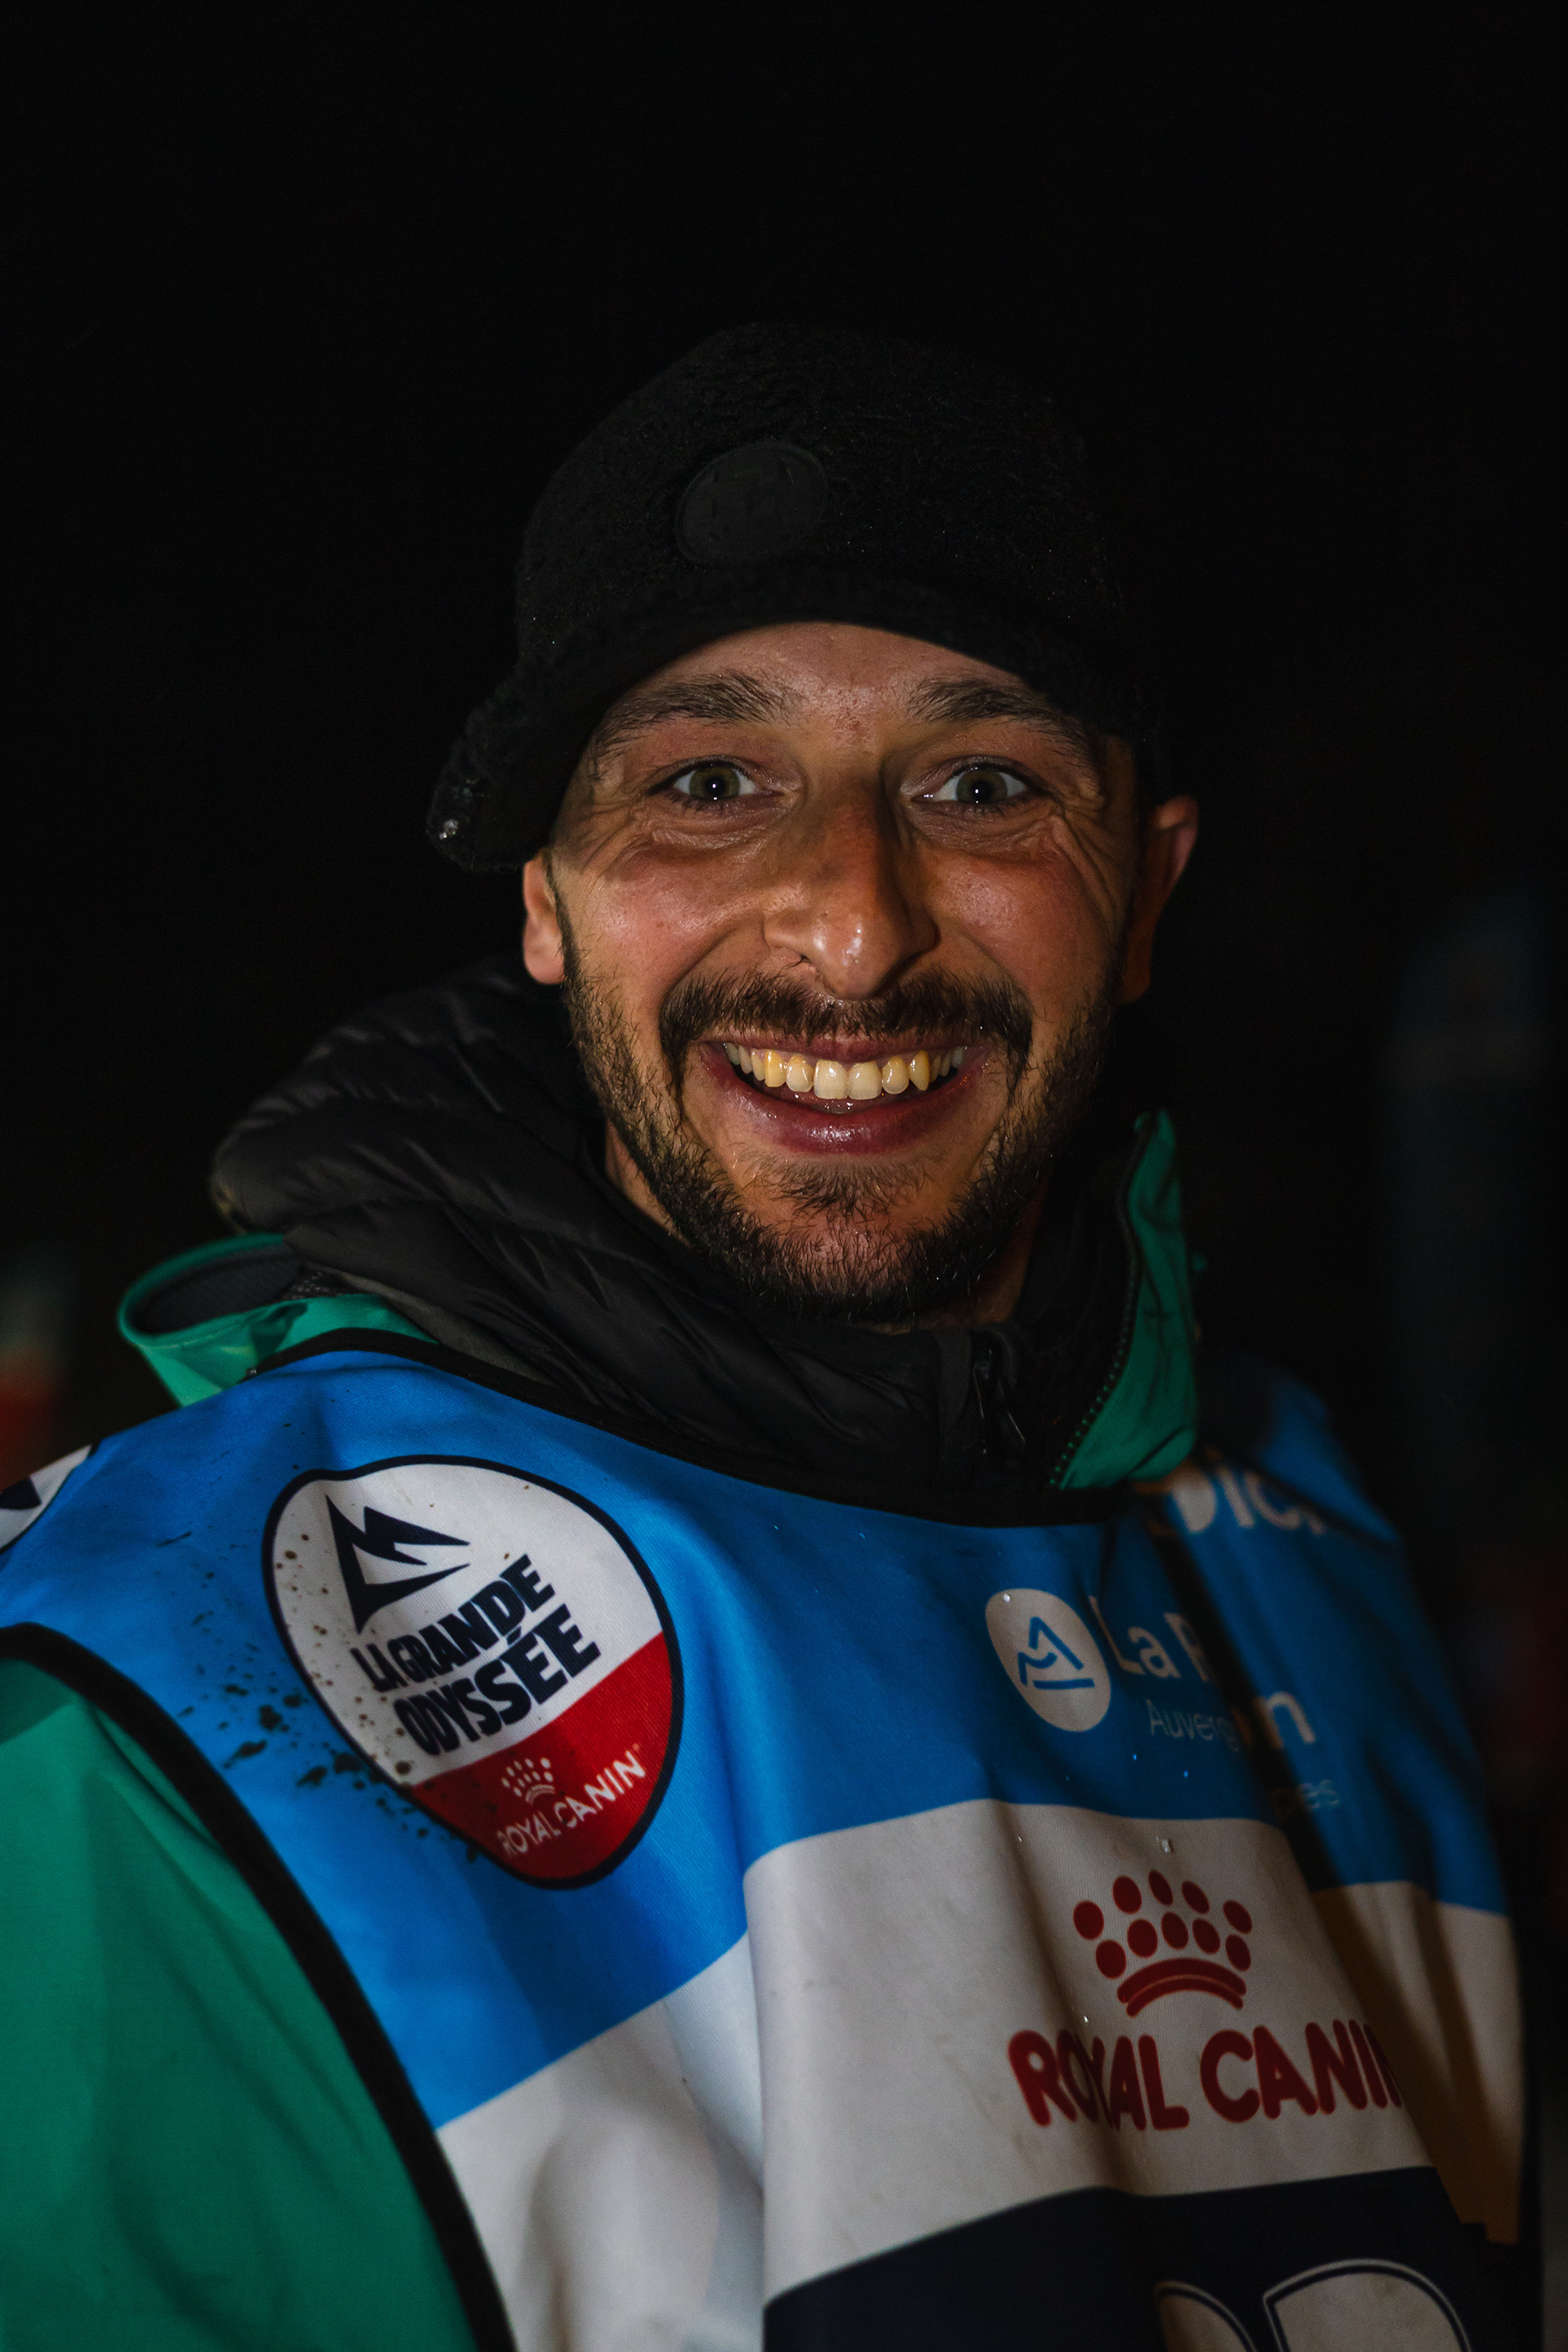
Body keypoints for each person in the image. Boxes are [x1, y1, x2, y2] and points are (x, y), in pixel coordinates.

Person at [0, 327, 1529, 2351]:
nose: (853, 925)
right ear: (547, 901)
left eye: (982, 784)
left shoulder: (1300, 1522)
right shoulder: (136, 1680)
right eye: (710, 786)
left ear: (1144, 891)